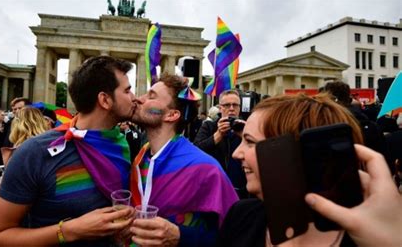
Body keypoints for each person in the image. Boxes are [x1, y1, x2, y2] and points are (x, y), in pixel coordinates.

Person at [0, 56, 137, 246]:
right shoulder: (35, 153)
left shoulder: (119, 144)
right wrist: (68, 231)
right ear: (105, 100)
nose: (134, 97)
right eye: (127, 90)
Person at [217, 93, 373, 246]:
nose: (236, 154)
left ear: (295, 154)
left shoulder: (368, 239)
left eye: (250, 141)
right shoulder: (242, 216)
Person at [129, 75, 238, 246]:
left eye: (151, 96)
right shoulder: (140, 159)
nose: (138, 99)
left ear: (172, 115)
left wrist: (181, 236)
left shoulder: (206, 169)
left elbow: (238, 235)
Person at [194, 90, 247, 198]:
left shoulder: (247, 127)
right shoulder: (209, 126)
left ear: (239, 108)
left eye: (235, 105)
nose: (231, 108)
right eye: (227, 105)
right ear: (220, 108)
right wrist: (218, 135)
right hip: (214, 187)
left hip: (241, 189)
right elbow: (196, 151)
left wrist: (246, 136)